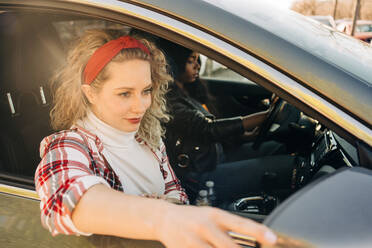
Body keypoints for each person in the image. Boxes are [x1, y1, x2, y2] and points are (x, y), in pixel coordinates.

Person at [34, 29, 278, 247]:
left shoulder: (147, 139)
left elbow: (176, 193)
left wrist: (173, 209)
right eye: (124, 94)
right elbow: (64, 201)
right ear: (90, 94)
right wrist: (162, 216)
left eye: (146, 91)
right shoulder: (69, 144)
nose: (140, 106)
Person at [160, 42, 295, 204]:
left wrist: (244, 137)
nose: (197, 65)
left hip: (214, 156)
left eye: (197, 60)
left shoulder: (187, 91)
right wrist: (265, 116)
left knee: (280, 146)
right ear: (176, 63)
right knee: (290, 166)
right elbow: (207, 129)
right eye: (190, 61)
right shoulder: (169, 100)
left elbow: (209, 130)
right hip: (199, 175)